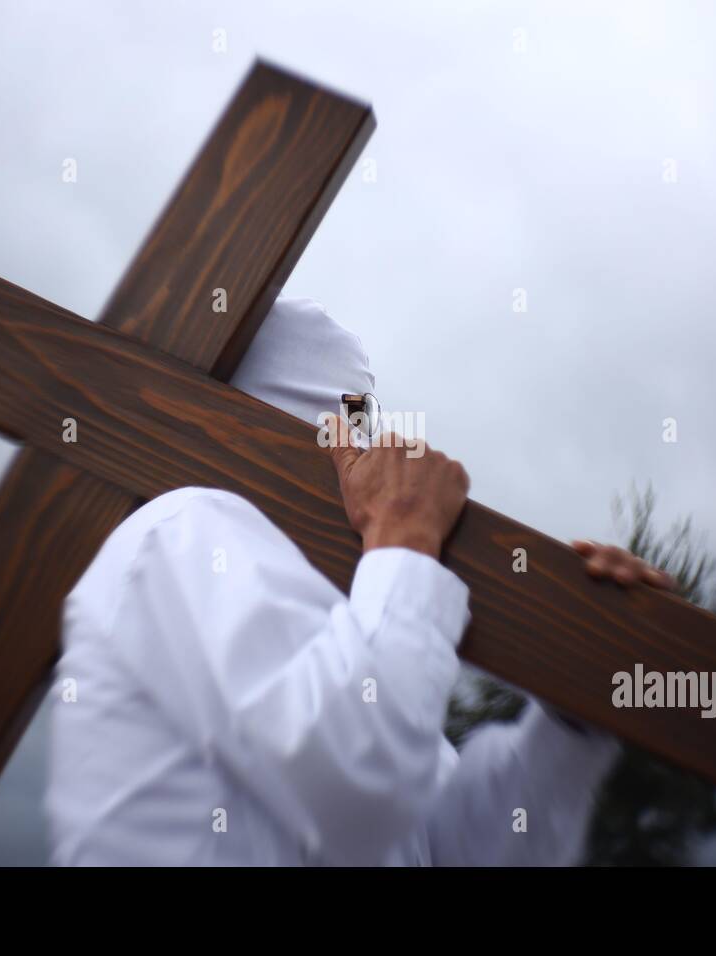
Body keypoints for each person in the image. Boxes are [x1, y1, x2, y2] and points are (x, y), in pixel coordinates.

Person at [45, 297, 672, 865]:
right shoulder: (178, 534)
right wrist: (404, 535)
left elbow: (455, 847)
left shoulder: (350, 636)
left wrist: (573, 713)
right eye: (353, 433)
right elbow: (357, 784)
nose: (375, 464)